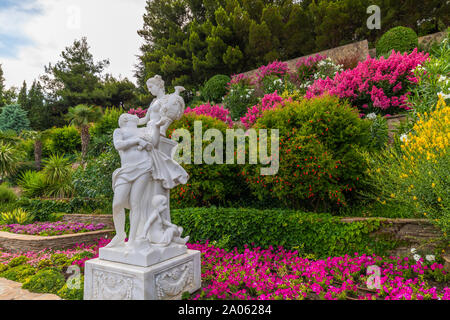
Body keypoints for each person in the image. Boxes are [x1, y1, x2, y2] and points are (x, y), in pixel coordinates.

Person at [105, 113, 154, 248]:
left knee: (135, 203)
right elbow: (118, 145)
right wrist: (137, 141)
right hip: (126, 170)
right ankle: (120, 234)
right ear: (124, 119)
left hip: (144, 167)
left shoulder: (143, 130)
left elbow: (152, 139)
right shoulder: (119, 131)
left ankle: (132, 239)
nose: (134, 117)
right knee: (117, 203)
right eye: (131, 116)